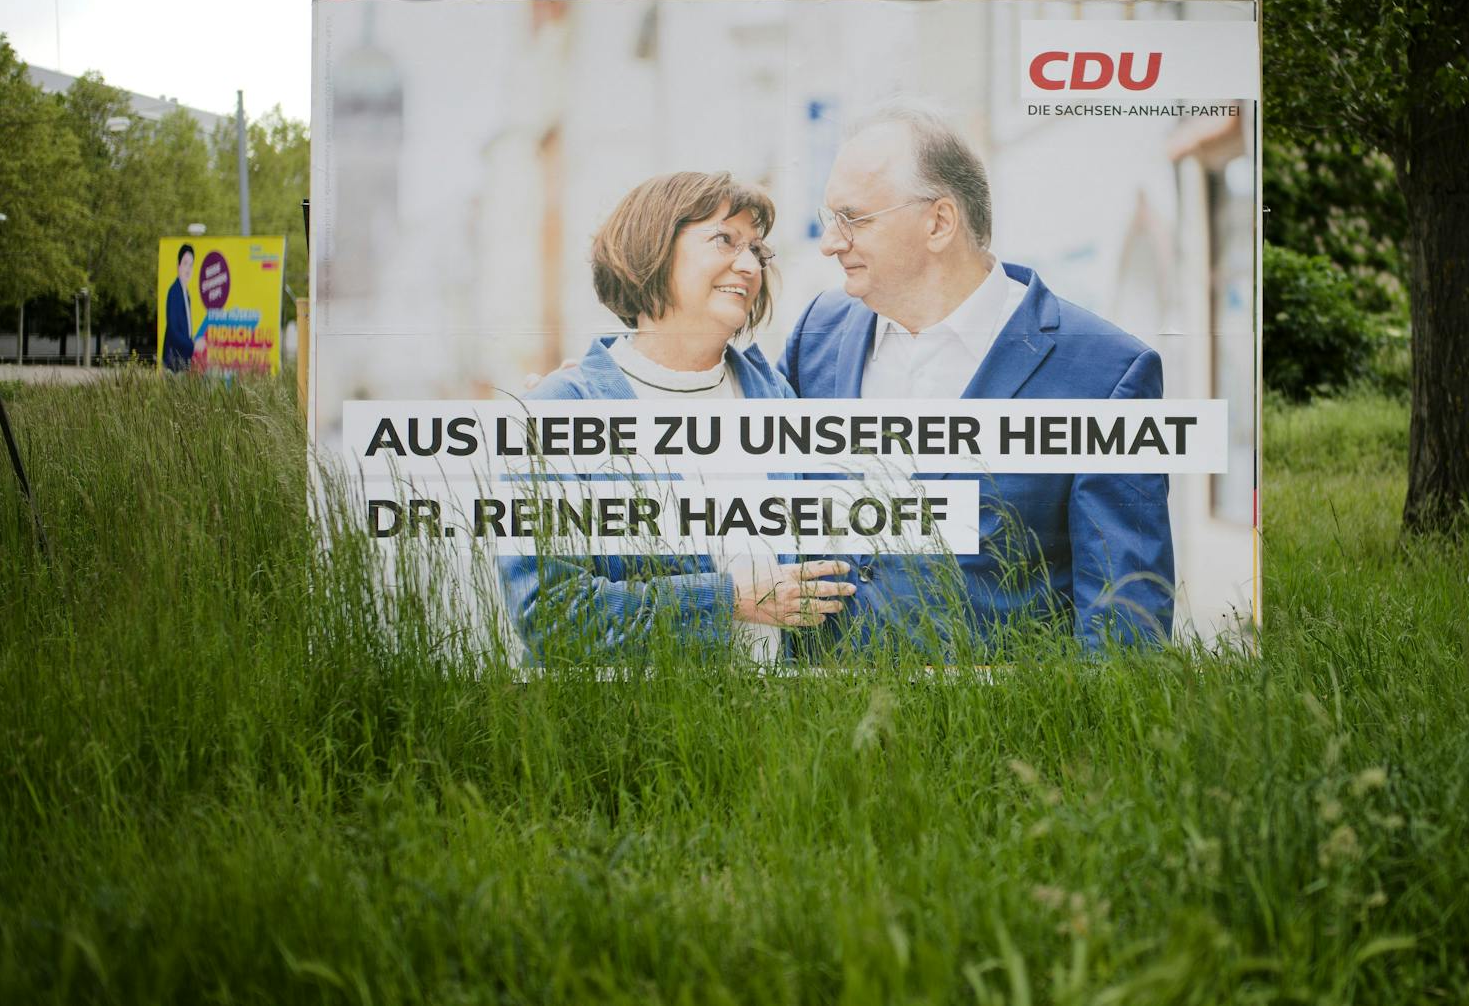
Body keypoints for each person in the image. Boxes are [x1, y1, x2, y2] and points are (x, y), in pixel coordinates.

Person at [777, 105, 1174, 652]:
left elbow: (1126, 622)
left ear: (939, 222)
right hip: (814, 727)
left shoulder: (1107, 374)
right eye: (830, 219)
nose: (831, 242)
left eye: (854, 218)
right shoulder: (816, 335)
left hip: (998, 731)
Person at [499, 171, 854, 664]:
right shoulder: (561, 412)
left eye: (758, 250)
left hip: (780, 726)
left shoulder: (777, 400)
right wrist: (728, 599)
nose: (749, 264)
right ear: (652, 249)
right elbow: (554, 619)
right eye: (724, 240)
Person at [162, 244, 197, 372]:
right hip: (173, 362)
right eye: (185, 263)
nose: (188, 269)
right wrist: (192, 345)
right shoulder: (174, 292)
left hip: (182, 361)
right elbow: (173, 330)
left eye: (191, 265)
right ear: (178, 265)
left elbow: (185, 328)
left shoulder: (186, 294)